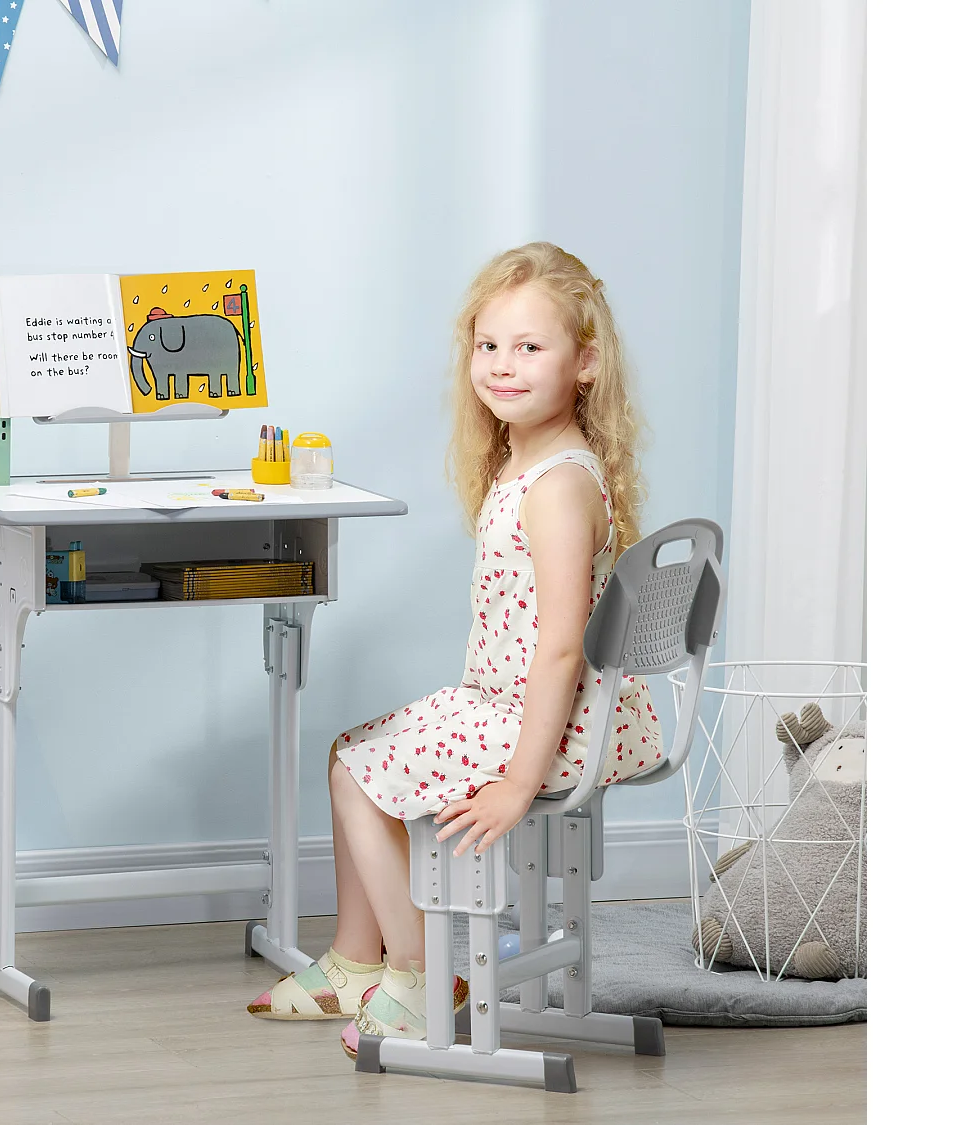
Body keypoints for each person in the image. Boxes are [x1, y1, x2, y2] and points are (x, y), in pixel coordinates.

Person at [247, 242, 664, 1058]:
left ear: (585, 362)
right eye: (488, 345)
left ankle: (422, 971)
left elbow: (559, 648)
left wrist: (517, 780)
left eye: (529, 347)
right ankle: (353, 960)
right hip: (530, 707)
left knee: (355, 774)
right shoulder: (531, 459)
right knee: (350, 750)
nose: (503, 366)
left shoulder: (558, 486)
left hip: (548, 720)